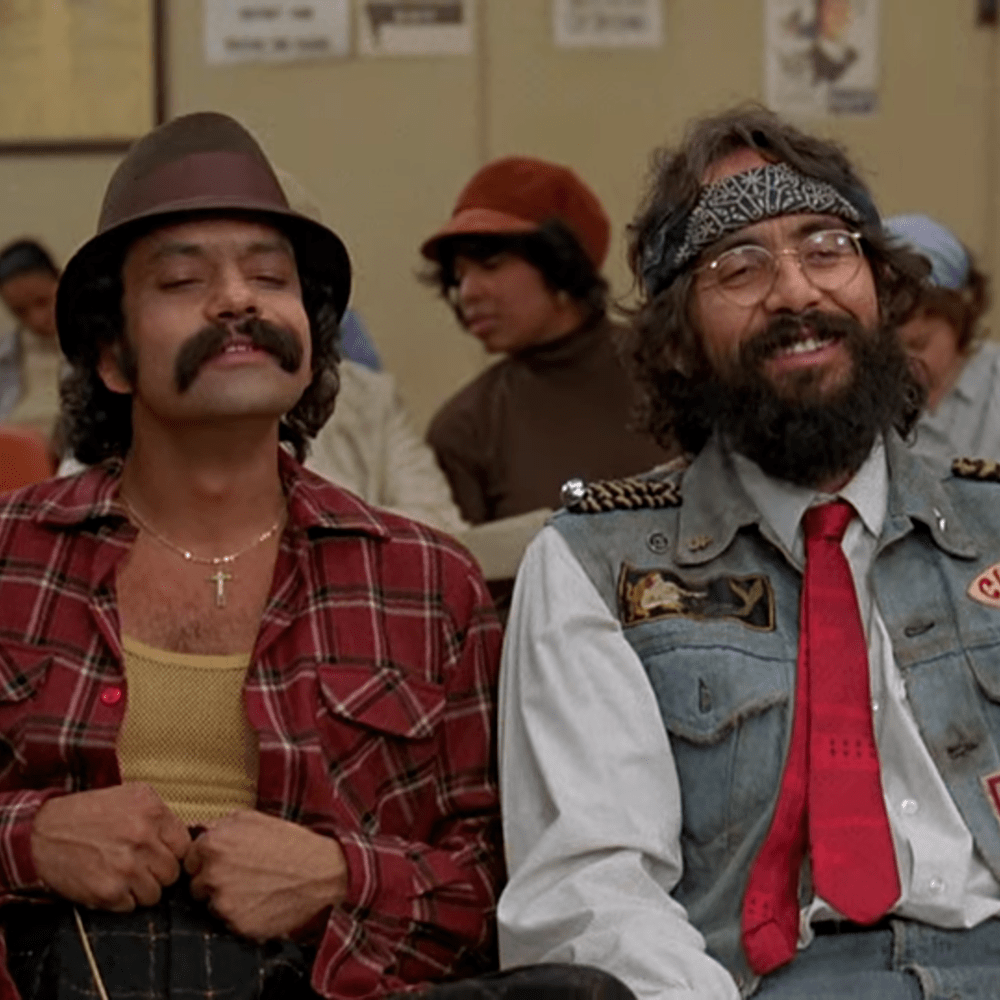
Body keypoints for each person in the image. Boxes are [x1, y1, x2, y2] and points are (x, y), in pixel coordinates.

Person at [0, 112, 631, 1000]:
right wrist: (31, 839)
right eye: (183, 280)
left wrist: (338, 877)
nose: (237, 301)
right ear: (113, 355)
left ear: (310, 344)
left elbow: (506, 880)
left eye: (270, 277)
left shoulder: (424, 583)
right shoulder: (14, 554)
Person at [498, 104, 1000, 1000]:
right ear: (679, 339)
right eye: (740, 266)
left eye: (827, 249)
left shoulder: (993, 521)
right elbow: (591, 893)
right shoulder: (596, 564)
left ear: (881, 291)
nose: (797, 292)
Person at [421, 155, 673, 527]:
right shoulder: (466, 428)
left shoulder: (675, 369)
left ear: (561, 262)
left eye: (490, 265)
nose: (469, 292)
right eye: (458, 277)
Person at [884, 213, 1000, 464]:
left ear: (960, 322)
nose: (905, 362)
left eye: (919, 344)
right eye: (888, 348)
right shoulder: (867, 398)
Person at [0, 239, 65, 442]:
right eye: (20, 311)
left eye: (42, 302)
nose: (36, 319)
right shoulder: (7, 355)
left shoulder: (99, 342)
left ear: (61, 280)